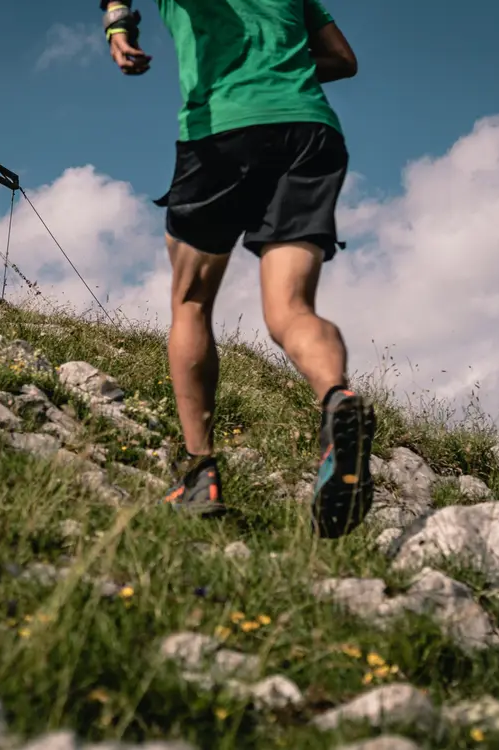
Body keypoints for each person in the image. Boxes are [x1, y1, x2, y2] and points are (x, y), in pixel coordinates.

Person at [99, 0, 375, 539]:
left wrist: (117, 25)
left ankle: (200, 472)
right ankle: (337, 398)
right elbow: (343, 59)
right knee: (291, 310)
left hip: (221, 131)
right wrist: (284, 65)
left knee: (192, 302)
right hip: (309, 129)